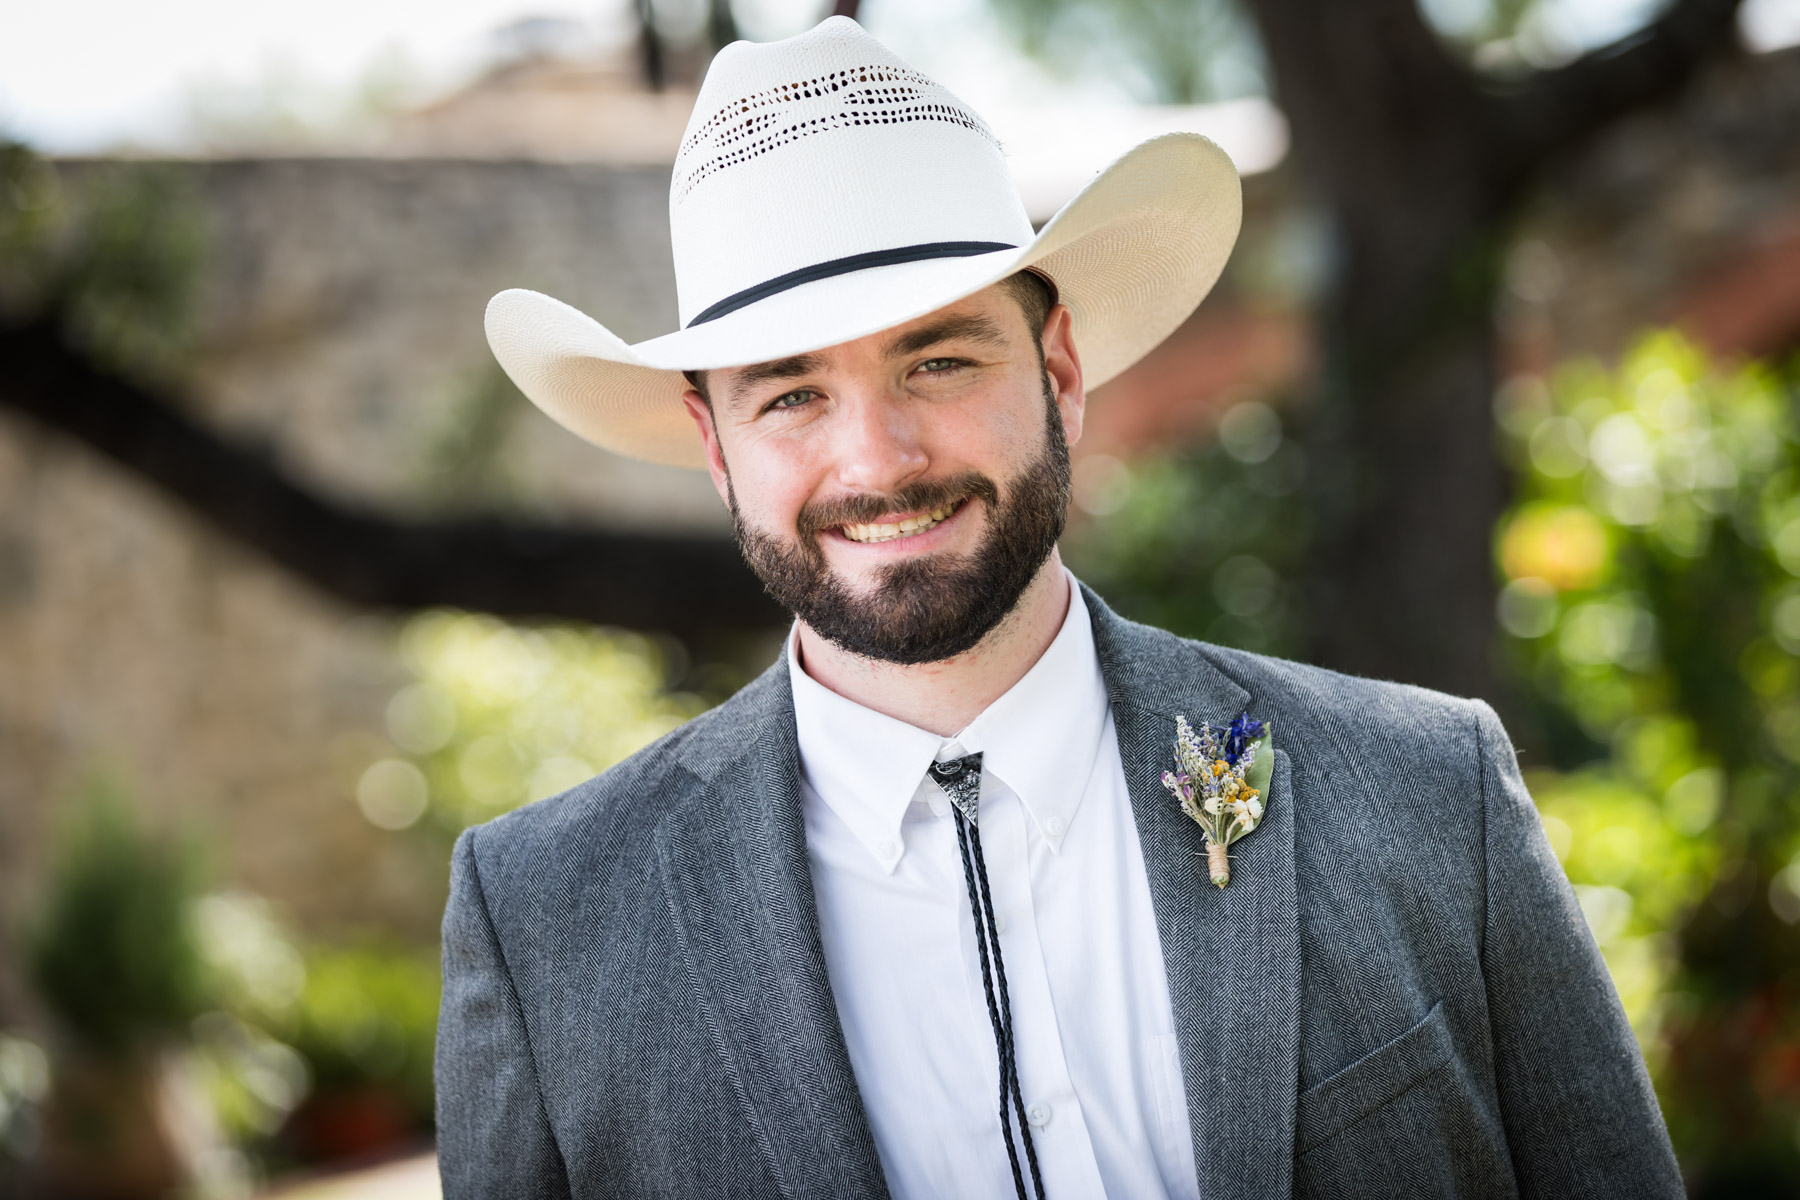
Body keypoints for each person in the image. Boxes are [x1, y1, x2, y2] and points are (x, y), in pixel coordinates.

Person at [437, 15, 1682, 1199]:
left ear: (1061, 373)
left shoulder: (1428, 796)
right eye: (791, 395)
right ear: (715, 448)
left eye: (939, 359)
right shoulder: (545, 925)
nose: (877, 462)